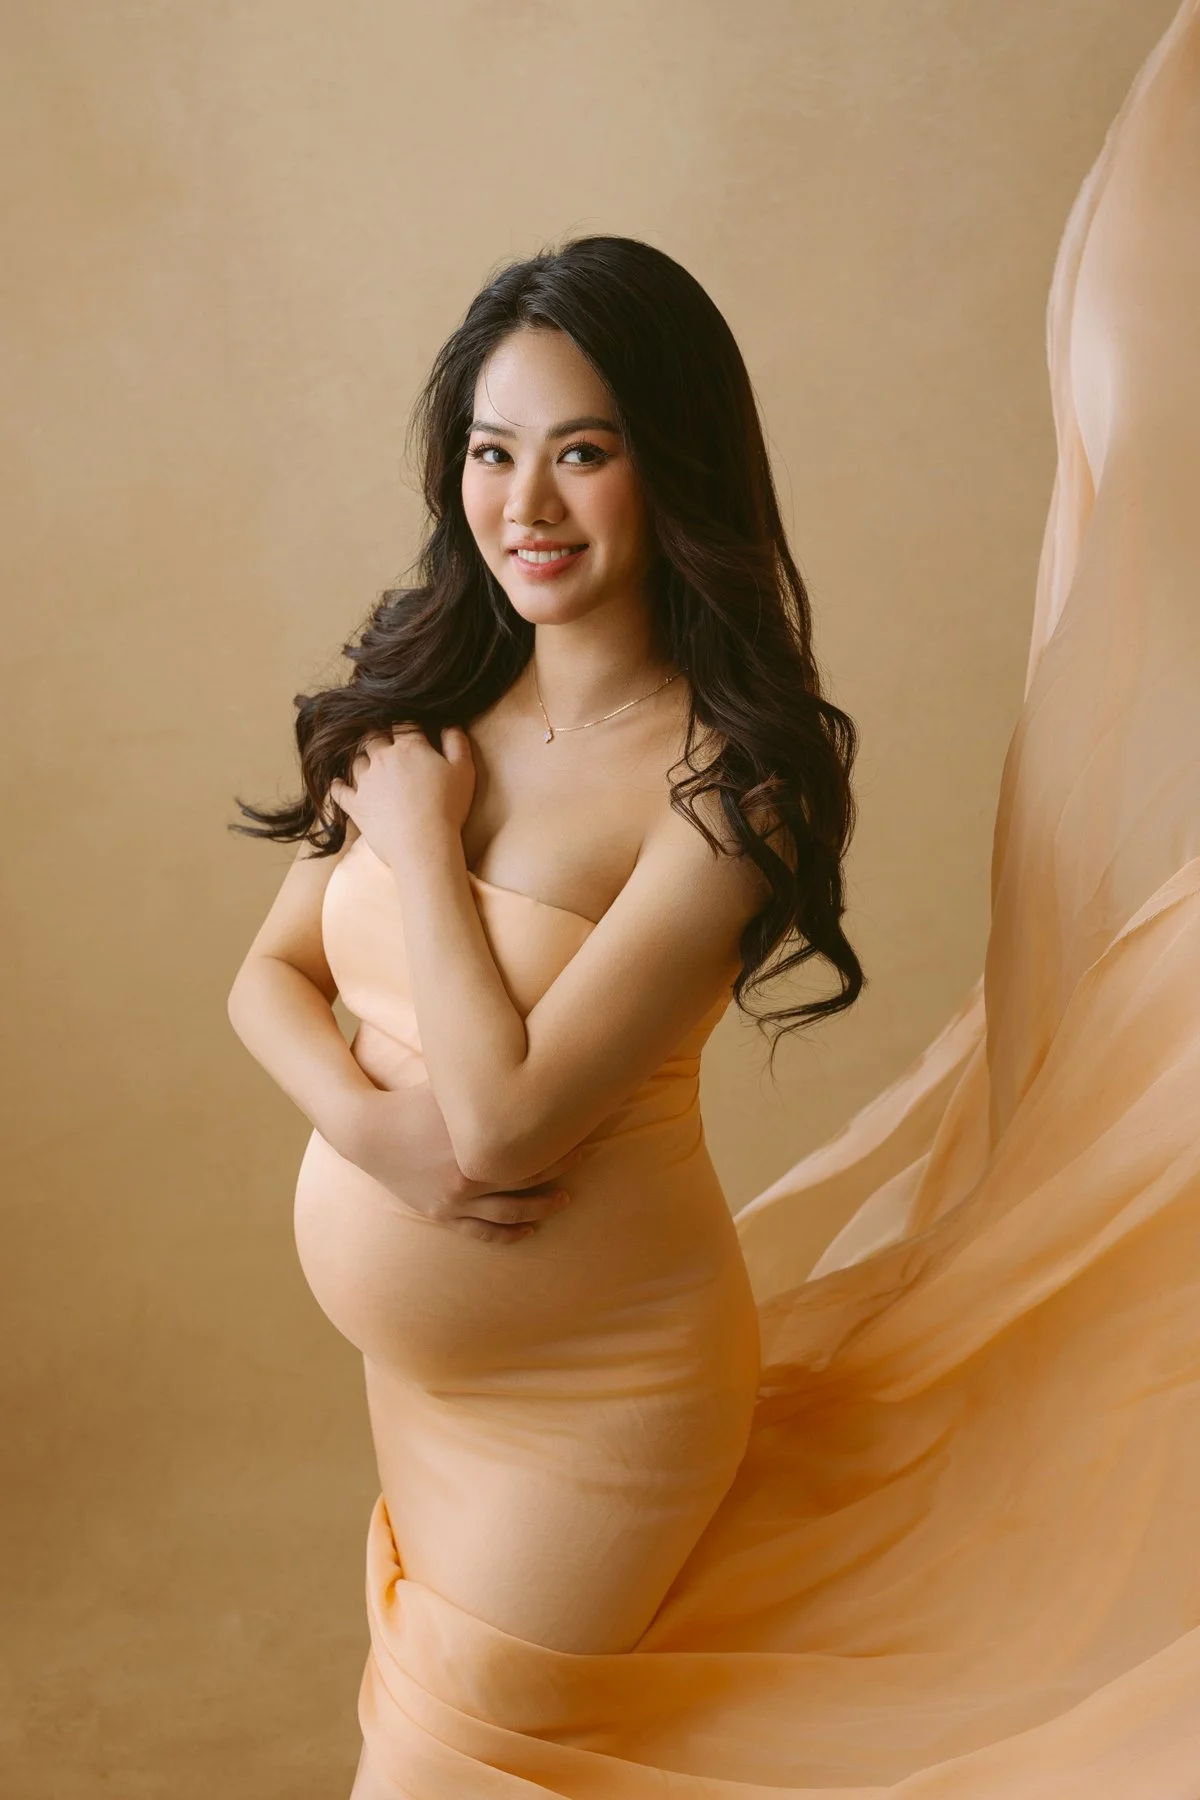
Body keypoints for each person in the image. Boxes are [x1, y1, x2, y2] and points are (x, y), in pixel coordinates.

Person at [226, 3, 1200, 1789]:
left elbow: (513, 1125)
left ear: (672, 464)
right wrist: (384, 1146)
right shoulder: (430, 687)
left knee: (447, 1770)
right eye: (493, 448)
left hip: (600, 1404)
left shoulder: (728, 783)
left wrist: (428, 859)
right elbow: (264, 985)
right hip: (426, 1386)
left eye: (583, 449)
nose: (526, 501)